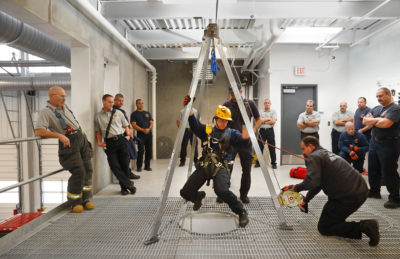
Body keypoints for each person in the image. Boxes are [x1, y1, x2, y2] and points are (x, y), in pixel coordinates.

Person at [282, 136, 379, 246]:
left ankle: (365, 226)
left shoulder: (314, 156)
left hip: (346, 196)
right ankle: (360, 226)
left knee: (324, 227)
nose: (303, 152)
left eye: (303, 149)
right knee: (332, 219)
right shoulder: (325, 153)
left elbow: (311, 182)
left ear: (311, 146)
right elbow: (318, 183)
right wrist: (307, 200)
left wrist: (295, 188)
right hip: (360, 191)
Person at [180, 104, 249, 227]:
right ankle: (198, 197)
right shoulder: (207, 131)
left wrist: (246, 136)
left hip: (221, 166)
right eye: (221, 120)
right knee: (185, 192)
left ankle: (241, 211)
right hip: (206, 165)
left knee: (221, 191)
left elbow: (243, 141)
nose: (223, 123)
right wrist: (189, 108)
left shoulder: (232, 133)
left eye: (226, 121)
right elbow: (194, 124)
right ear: (215, 119)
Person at [35, 86, 94, 213]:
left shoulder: (65, 107)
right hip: (69, 143)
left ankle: (86, 199)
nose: (64, 98)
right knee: (79, 171)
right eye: (61, 96)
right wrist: (59, 135)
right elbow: (39, 131)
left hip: (81, 139)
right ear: (52, 96)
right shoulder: (46, 112)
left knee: (88, 169)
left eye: (65, 96)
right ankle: (75, 202)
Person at [223, 83, 261, 204]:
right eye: (232, 93)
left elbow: (259, 119)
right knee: (227, 168)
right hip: (231, 142)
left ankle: (243, 195)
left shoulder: (250, 103)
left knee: (246, 169)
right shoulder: (226, 105)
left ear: (241, 91)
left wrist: (253, 131)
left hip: (245, 141)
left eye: (236, 92)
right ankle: (223, 193)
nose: (234, 95)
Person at [363, 87, 400, 208]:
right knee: (372, 168)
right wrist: (377, 120)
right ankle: (374, 191)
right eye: (377, 96)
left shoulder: (395, 109)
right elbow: (364, 121)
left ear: (388, 95)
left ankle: (394, 197)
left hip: (389, 144)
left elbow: (385, 124)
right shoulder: (376, 108)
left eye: (381, 96)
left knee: (389, 171)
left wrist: (373, 121)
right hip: (374, 142)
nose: (379, 99)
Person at [95, 94, 136, 196]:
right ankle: (129, 185)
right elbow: (98, 131)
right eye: (109, 102)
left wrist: (128, 136)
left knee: (124, 165)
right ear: (103, 102)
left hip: (122, 140)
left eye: (112, 102)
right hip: (110, 143)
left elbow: (126, 125)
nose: (111, 104)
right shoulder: (98, 116)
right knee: (114, 166)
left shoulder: (118, 113)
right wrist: (99, 142)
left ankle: (124, 188)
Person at [113, 93, 140, 180]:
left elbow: (127, 122)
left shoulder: (122, 111)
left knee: (129, 155)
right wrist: (128, 133)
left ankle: (128, 172)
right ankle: (126, 175)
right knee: (124, 157)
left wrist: (131, 130)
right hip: (122, 136)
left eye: (122, 101)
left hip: (128, 134)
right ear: (115, 100)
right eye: (119, 101)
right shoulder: (113, 111)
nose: (121, 102)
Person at [131, 99, 153, 172]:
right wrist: (143, 130)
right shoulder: (134, 114)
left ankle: (147, 166)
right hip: (140, 135)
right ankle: (139, 166)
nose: (141, 105)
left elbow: (151, 122)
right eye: (139, 103)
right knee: (141, 151)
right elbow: (134, 125)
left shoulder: (147, 113)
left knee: (149, 150)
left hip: (149, 134)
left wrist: (148, 129)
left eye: (142, 103)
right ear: (136, 104)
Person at [256, 98, 277, 169]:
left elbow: (273, 121)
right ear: (264, 104)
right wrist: (269, 119)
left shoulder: (273, 111)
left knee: (272, 147)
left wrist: (264, 121)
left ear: (270, 104)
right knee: (259, 147)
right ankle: (258, 163)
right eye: (266, 103)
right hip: (262, 131)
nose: (267, 104)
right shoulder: (260, 111)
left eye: (268, 103)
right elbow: (259, 120)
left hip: (270, 131)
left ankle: (274, 163)